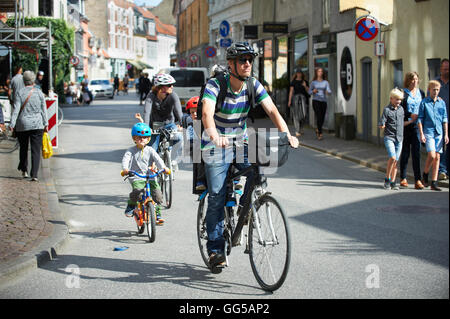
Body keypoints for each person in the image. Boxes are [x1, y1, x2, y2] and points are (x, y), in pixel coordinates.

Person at [200, 42, 299, 271]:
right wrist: (215, 136)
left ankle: (246, 208)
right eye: (242, 60)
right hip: (215, 144)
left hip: (241, 141)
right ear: (231, 64)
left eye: (250, 60)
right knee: (216, 194)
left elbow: (272, 110)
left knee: (259, 171)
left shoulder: (253, 85)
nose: (247, 64)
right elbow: (206, 113)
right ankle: (215, 249)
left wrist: (287, 135)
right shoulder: (215, 85)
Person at [121, 123, 169, 225]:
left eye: (145, 138)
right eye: (139, 137)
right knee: (138, 191)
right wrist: (125, 169)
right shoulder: (131, 151)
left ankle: (158, 214)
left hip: (150, 176)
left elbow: (158, 159)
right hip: (136, 176)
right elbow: (126, 159)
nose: (142, 139)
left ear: (148, 139)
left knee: (158, 194)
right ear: (134, 138)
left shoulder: (150, 150)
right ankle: (131, 205)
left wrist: (164, 168)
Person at [136, 73, 183, 166]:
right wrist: (146, 127)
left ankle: (173, 161)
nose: (172, 87)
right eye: (169, 85)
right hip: (155, 126)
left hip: (169, 125)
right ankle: (154, 173)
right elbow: (147, 112)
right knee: (152, 151)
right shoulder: (151, 96)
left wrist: (182, 125)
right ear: (161, 87)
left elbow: (179, 112)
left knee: (179, 138)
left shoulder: (173, 95)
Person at [9, 71, 48, 181]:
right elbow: (43, 109)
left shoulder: (20, 93)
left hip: (23, 124)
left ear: (24, 81)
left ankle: (24, 170)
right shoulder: (39, 93)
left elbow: (16, 110)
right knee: (36, 150)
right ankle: (34, 174)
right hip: (37, 124)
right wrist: (46, 123)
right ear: (33, 80)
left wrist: (12, 124)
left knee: (23, 148)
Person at [418, 80, 449, 191]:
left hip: (439, 133)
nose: (435, 91)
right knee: (432, 155)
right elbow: (420, 119)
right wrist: (421, 133)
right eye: (433, 89)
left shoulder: (442, 103)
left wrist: (446, 134)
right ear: (429, 90)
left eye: (437, 89)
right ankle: (425, 174)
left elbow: (445, 119)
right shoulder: (424, 102)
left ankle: (434, 182)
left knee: (438, 157)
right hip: (429, 132)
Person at [399, 72, 426, 190]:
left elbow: (425, 107)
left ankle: (417, 180)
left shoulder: (421, 93)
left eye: (416, 79)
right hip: (406, 125)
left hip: (417, 126)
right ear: (408, 81)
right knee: (405, 152)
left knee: (416, 153)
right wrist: (411, 115)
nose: (414, 82)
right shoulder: (403, 93)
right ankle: (403, 178)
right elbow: (401, 110)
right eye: (412, 80)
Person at [378, 88, 405, 190]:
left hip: (399, 138)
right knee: (392, 158)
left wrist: (412, 121)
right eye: (397, 99)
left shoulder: (401, 109)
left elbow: (402, 123)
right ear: (391, 99)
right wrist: (382, 125)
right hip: (389, 137)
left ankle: (393, 182)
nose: (398, 101)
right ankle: (387, 179)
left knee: (396, 161)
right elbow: (382, 121)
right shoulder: (387, 110)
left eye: (400, 100)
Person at [309, 67, 332, 140]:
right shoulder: (313, 82)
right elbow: (309, 91)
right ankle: (320, 133)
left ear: (323, 73)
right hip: (316, 101)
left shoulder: (326, 82)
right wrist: (313, 91)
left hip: (323, 101)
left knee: (322, 117)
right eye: (319, 71)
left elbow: (329, 91)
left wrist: (327, 92)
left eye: (321, 71)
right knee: (319, 115)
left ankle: (318, 129)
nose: (320, 73)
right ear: (316, 73)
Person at [436, 59, 449, 181]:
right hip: (439, 121)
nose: (447, 71)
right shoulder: (436, 83)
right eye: (445, 69)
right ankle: (442, 170)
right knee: (440, 146)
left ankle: (446, 170)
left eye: (448, 69)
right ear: (441, 69)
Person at [288, 69, 309, 137]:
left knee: (304, 114)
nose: (299, 74)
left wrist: (305, 86)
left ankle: (301, 127)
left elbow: (308, 91)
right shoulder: (293, 82)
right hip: (296, 98)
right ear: (296, 74)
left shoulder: (305, 81)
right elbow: (291, 91)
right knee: (296, 115)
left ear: (302, 74)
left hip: (303, 98)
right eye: (298, 73)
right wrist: (289, 100)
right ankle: (297, 130)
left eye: (300, 73)